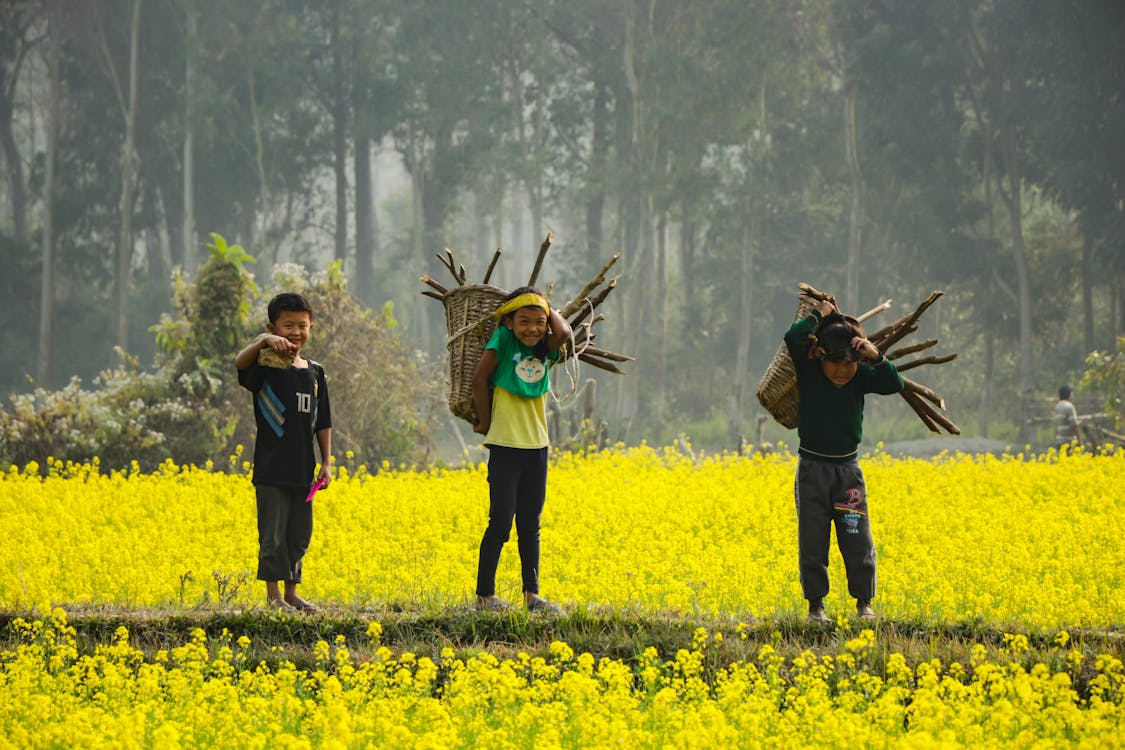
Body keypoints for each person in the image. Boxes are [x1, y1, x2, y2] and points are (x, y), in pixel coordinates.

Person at [783, 298, 904, 623]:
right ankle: (815, 607)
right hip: (812, 471)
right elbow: (794, 337)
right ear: (819, 356)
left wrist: (874, 355)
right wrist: (818, 314)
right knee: (813, 540)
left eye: (849, 364)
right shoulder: (810, 372)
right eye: (834, 363)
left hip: (848, 473)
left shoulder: (861, 376)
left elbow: (895, 383)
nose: (841, 371)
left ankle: (864, 603)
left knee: (857, 538)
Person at [470, 286, 572, 612]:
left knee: (530, 524)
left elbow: (565, 331)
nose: (532, 328)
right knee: (500, 522)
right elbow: (478, 380)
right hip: (505, 445)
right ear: (510, 323)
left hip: (537, 446)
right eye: (524, 321)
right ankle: (485, 595)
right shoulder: (503, 341)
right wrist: (485, 422)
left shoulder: (546, 349)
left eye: (539, 322)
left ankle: (532, 595)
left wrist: (545, 305)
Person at [235, 292, 332, 613]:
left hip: (305, 471)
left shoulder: (316, 372)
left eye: (301, 325)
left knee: (299, 534)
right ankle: (273, 596)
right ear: (272, 326)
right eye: (286, 325)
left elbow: (324, 421)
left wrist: (327, 463)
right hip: (271, 469)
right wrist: (264, 341)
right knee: (273, 534)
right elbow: (239, 363)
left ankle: (292, 594)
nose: (295, 332)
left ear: (311, 327)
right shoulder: (265, 365)